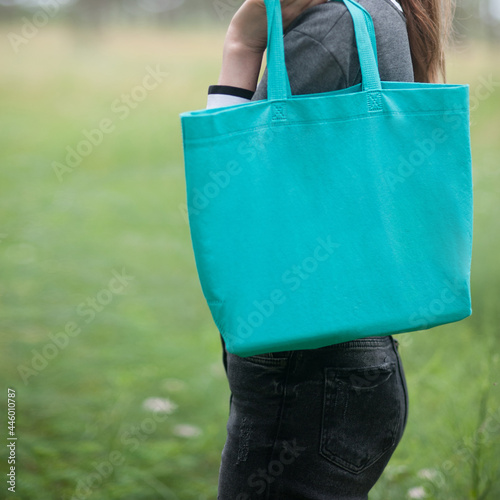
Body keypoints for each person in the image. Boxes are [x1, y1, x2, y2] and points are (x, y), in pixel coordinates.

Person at [205, 0, 453, 498]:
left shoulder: (332, 26)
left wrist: (240, 44)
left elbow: (229, 195)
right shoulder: (379, 13)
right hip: (346, 363)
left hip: (303, 372)